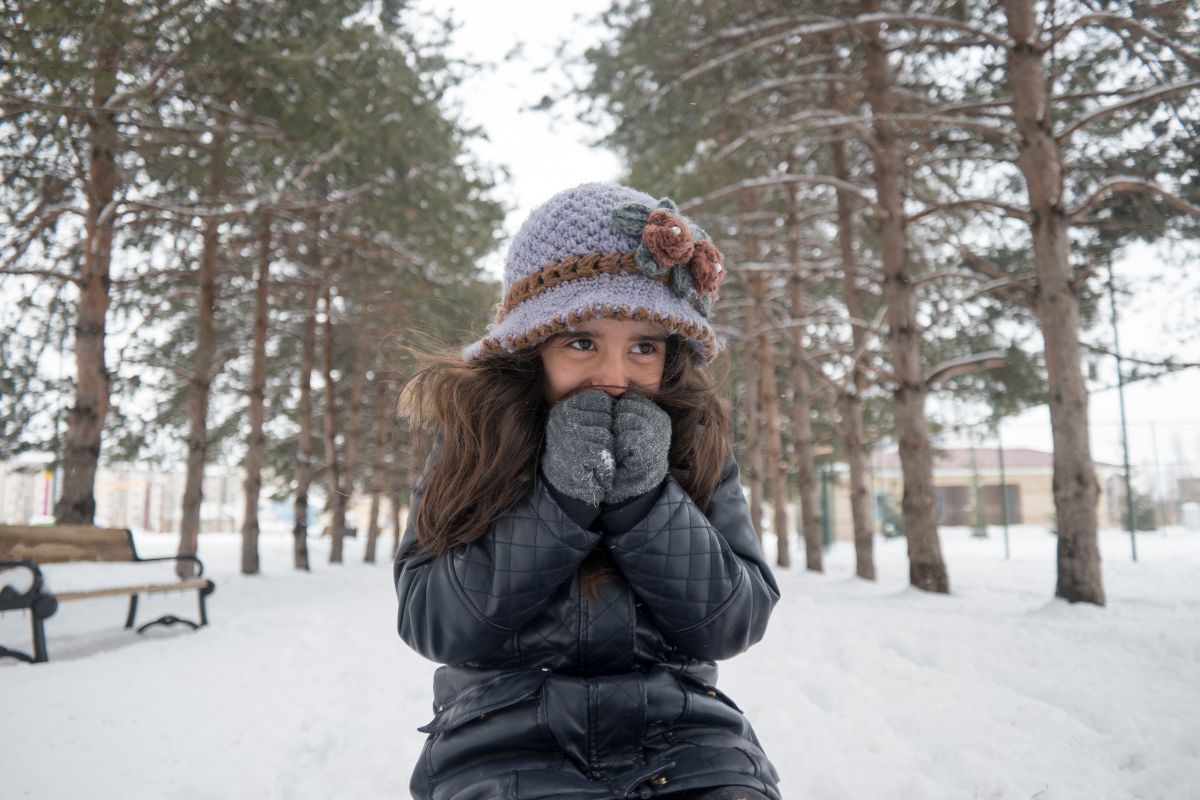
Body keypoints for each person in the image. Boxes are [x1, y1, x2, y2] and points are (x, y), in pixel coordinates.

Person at [393, 182, 782, 800]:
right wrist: (558, 501)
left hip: (687, 741)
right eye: (581, 342)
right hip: (500, 742)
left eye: (644, 346)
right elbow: (434, 624)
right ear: (530, 349)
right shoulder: (474, 442)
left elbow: (732, 624)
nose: (614, 375)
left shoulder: (695, 443)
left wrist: (646, 503)